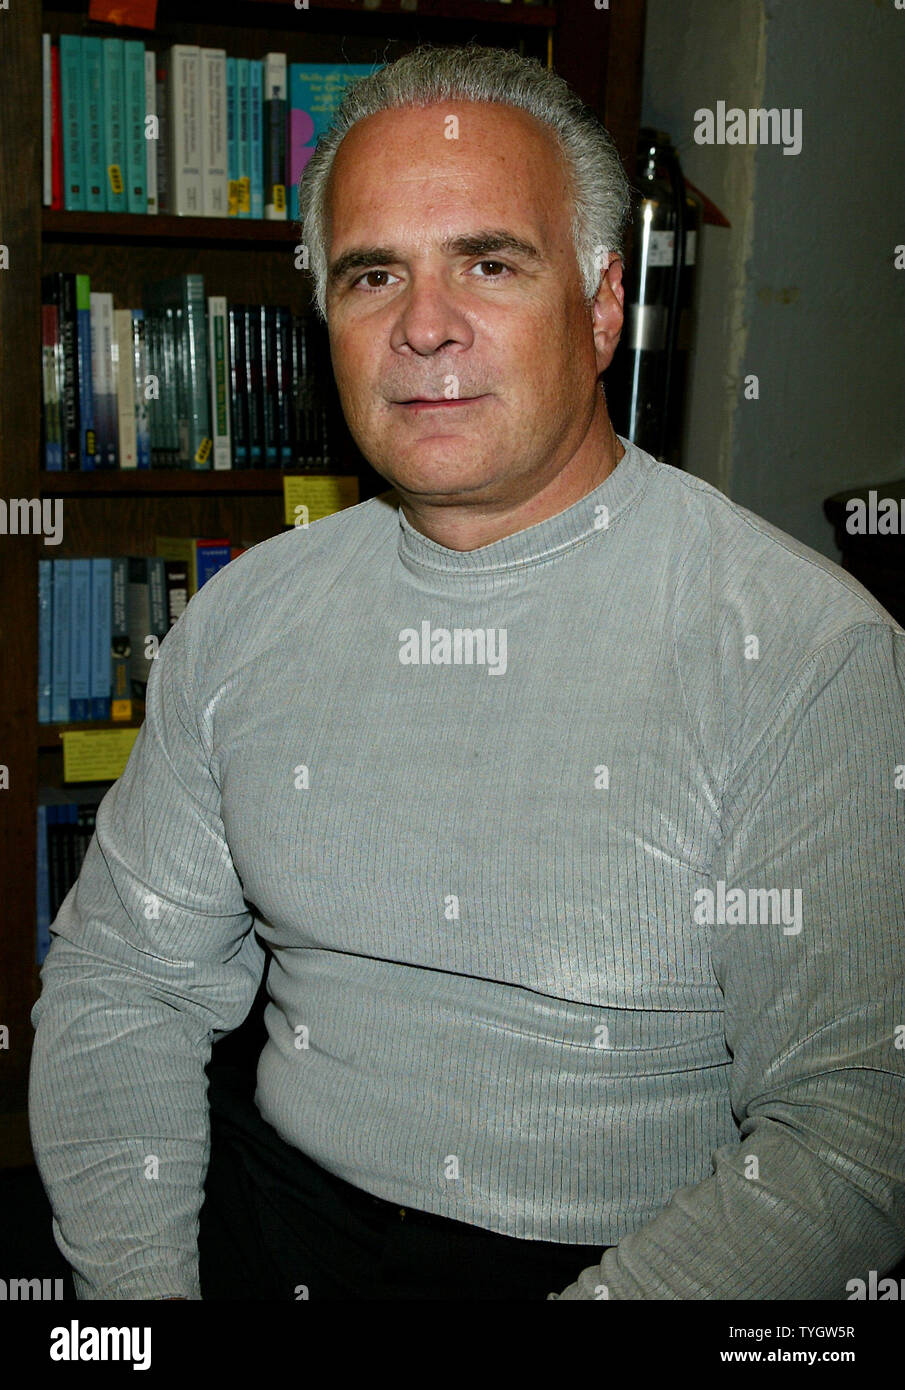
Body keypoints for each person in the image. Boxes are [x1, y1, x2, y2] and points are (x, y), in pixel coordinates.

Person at [30, 44, 905, 1302]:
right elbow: (123, 982)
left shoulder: (803, 653)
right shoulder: (247, 616)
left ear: (602, 305)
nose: (422, 324)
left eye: (488, 262)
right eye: (371, 273)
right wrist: (142, 1301)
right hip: (267, 1241)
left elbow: (852, 1135)